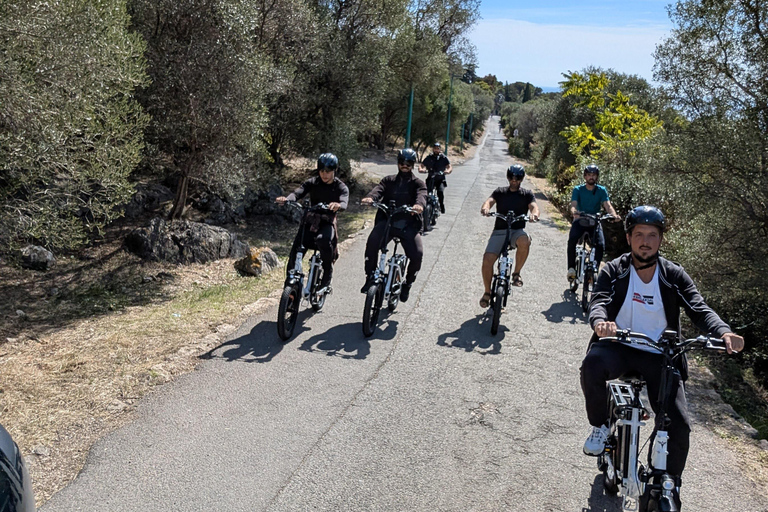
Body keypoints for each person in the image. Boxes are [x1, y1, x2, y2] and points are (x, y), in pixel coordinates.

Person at [580, 205, 744, 507]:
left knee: (677, 423)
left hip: (661, 354)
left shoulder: (673, 275)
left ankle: (667, 482)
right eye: (639, 234)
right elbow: (599, 300)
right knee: (592, 363)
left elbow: (698, 307)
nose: (645, 241)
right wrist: (601, 323)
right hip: (619, 345)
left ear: (660, 240)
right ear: (629, 238)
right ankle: (601, 426)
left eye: (652, 235)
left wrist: (723, 332)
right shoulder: (614, 270)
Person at [276, 153, 349, 292]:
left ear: (335, 170)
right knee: (297, 249)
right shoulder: (313, 182)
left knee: (324, 240)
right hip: (310, 221)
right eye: (321, 171)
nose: (324, 174)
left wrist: (338, 206)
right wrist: (287, 199)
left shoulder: (341, 187)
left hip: (327, 223)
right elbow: (298, 193)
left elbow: (344, 201)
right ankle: (289, 288)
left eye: (328, 171)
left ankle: (327, 273)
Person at [361, 148, 426, 303]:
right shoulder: (388, 180)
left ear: (413, 164)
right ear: (398, 163)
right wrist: (370, 198)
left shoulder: (418, 183)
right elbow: (378, 190)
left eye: (409, 163)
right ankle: (370, 276)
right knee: (371, 244)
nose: (405, 165)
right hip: (388, 222)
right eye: (402, 162)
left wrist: (418, 206)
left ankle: (408, 284)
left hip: (409, 225)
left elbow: (422, 196)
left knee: (417, 255)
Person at [478, 164, 540, 307]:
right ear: (507, 177)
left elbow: (534, 206)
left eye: (517, 177)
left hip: (516, 231)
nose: (514, 180)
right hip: (500, 230)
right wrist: (486, 208)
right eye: (511, 177)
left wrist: (534, 214)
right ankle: (487, 292)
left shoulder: (527, 194)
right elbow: (489, 201)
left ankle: (516, 273)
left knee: (525, 240)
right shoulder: (500, 192)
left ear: (521, 179)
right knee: (487, 259)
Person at [567, 164, 619, 282]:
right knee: (572, 241)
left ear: (597, 177)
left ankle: (594, 269)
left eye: (594, 175)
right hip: (580, 221)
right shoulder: (578, 189)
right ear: (585, 176)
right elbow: (573, 204)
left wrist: (614, 215)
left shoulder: (601, 190)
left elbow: (607, 205)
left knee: (600, 245)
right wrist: (575, 212)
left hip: (594, 221)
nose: (591, 177)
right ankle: (571, 269)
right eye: (589, 175)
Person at [419, 142, 452, 214]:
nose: (436, 150)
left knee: (440, 192)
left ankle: (441, 205)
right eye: (435, 149)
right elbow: (421, 165)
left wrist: (447, 171)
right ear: (433, 149)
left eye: (438, 149)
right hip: (430, 178)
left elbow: (449, 166)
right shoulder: (429, 157)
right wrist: (421, 169)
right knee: (426, 193)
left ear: (440, 149)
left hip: (440, 179)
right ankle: (424, 208)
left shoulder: (443, 158)